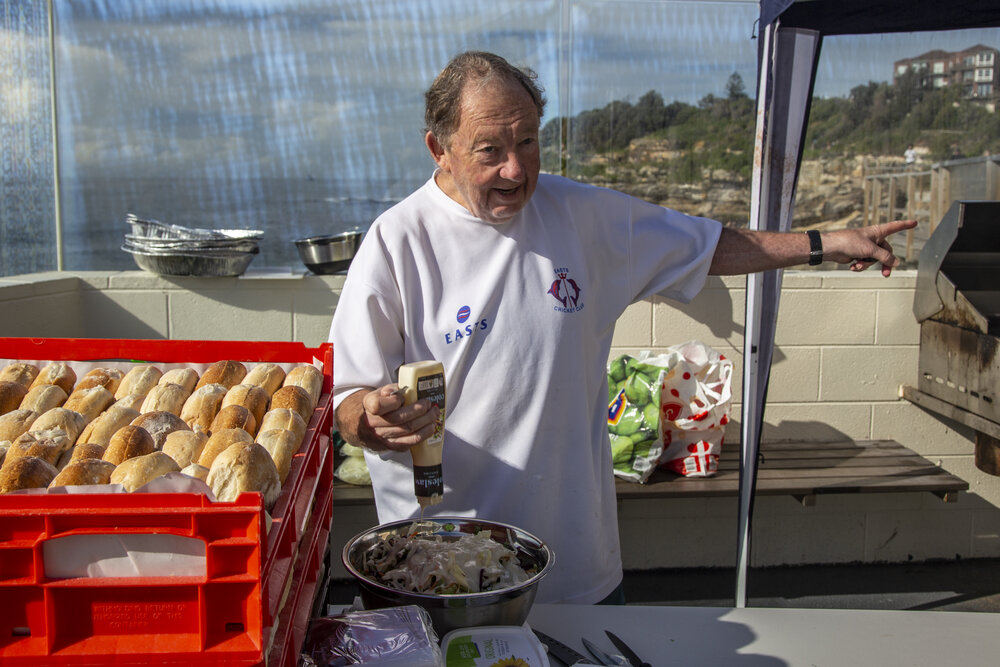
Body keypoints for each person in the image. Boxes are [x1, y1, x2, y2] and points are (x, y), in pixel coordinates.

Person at [329, 51, 916, 605]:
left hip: (574, 563)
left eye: (528, 141)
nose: (515, 169)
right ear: (440, 149)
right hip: (437, 564)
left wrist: (823, 243)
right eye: (490, 150)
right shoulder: (396, 242)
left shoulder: (584, 216)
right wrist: (370, 418)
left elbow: (707, 245)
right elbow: (344, 399)